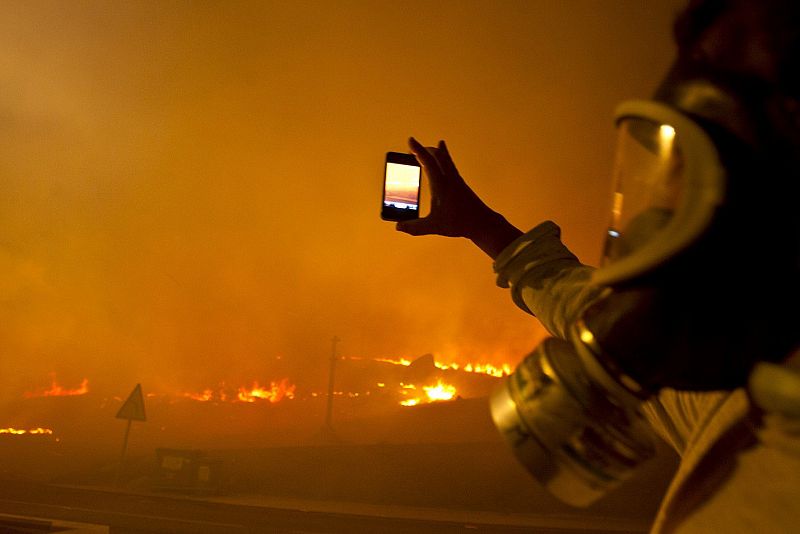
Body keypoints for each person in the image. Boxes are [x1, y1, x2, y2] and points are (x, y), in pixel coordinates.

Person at [395, 0, 800, 531]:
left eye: (712, 168)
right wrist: (483, 227)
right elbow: (587, 307)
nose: (662, 217)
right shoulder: (740, 402)